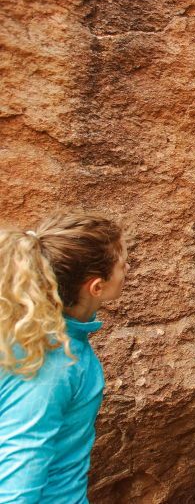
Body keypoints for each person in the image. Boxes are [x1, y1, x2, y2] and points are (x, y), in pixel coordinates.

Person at [0, 212, 129, 504]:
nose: (128, 268)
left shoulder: (25, 332)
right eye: (122, 264)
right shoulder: (55, 364)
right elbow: (16, 488)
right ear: (96, 287)